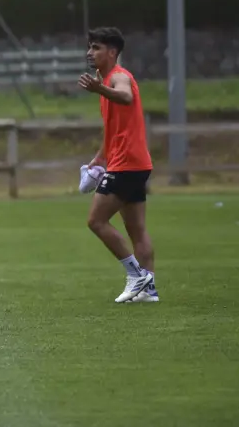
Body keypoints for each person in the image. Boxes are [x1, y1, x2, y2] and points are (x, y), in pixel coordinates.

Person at [79, 27, 157, 303]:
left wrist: (100, 87)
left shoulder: (118, 77)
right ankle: (149, 291)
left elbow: (126, 96)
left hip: (127, 165)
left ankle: (137, 275)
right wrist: (100, 157)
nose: (90, 52)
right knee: (136, 229)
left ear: (112, 52)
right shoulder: (106, 81)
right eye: (90, 47)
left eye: (96, 47)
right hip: (132, 163)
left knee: (96, 221)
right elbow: (115, 128)